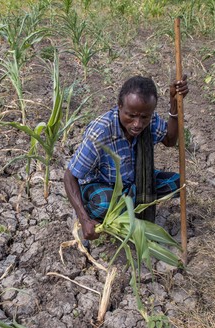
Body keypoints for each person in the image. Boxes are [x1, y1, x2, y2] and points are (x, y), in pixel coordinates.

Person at [64, 75, 189, 241]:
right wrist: (84, 219)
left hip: (133, 183)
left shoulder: (149, 120)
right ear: (119, 106)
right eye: (131, 115)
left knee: (178, 184)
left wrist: (174, 104)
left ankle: (131, 207)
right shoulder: (100, 132)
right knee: (105, 202)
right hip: (101, 186)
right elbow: (69, 176)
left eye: (144, 117)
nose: (137, 124)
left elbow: (170, 140)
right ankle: (98, 213)